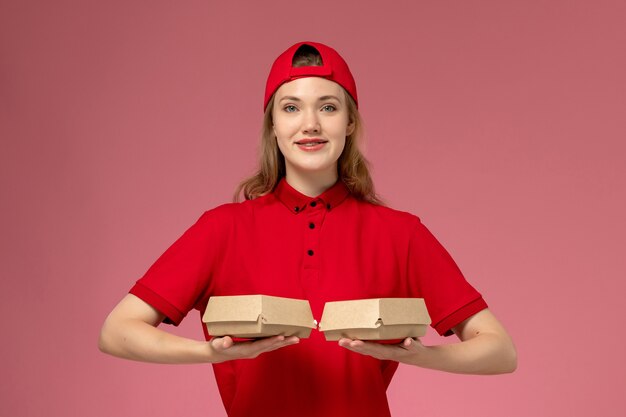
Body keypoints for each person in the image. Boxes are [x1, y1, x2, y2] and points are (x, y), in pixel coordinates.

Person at [99, 41, 517, 417]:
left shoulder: (401, 234)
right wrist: (207, 352)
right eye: (292, 107)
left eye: (329, 107)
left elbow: (499, 350)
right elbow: (118, 332)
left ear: (350, 124)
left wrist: (418, 356)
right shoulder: (222, 229)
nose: (311, 124)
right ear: (273, 126)